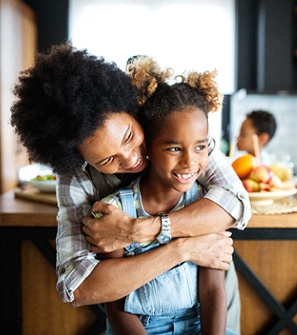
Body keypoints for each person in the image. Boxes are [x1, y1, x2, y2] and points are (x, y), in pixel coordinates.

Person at [10, 42, 251, 332]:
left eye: (128, 136)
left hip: (209, 315)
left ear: (132, 110)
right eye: (108, 158)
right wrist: (183, 249)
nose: (132, 157)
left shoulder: (176, 135)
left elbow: (236, 203)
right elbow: (79, 286)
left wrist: (138, 230)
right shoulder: (76, 178)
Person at [98, 56, 236, 334]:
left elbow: (212, 289)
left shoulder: (204, 207)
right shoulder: (116, 212)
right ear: (147, 146)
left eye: (200, 147)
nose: (189, 162)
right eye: (174, 149)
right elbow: (115, 304)